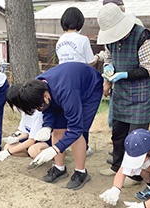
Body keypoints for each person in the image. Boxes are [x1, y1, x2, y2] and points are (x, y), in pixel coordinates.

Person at [5, 62, 103, 190]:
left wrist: (55, 149)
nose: (39, 109)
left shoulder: (67, 93)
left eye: (38, 106)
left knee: (76, 132)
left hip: (89, 88)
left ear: (45, 96)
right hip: (64, 88)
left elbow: (75, 129)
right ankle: (59, 168)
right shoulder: (35, 88)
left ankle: (81, 172)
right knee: (57, 130)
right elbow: (47, 108)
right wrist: (47, 126)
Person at [97, 4, 150, 185]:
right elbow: (108, 57)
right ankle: (116, 166)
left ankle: (135, 175)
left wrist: (124, 74)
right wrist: (108, 70)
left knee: (137, 138)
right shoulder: (111, 39)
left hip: (142, 96)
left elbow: (148, 68)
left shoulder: (143, 36)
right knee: (119, 134)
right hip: (121, 94)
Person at [56, 6, 97, 156]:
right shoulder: (82, 39)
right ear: (80, 22)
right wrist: (98, 58)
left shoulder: (60, 40)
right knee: (81, 115)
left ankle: (65, 145)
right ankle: (83, 147)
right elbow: (90, 62)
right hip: (79, 82)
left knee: (66, 114)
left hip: (62, 81)